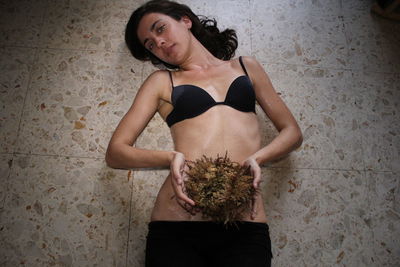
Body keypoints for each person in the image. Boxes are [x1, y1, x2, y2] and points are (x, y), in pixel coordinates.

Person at [106, 0, 303, 266]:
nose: (159, 43)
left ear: (185, 20)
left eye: (160, 29)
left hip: (244, 223)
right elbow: (116, 153)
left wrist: (258, 158)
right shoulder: (161, 82)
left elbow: (292, 132)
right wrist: (170, 157)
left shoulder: (246, 67)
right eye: (150, 44)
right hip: (177, 224)